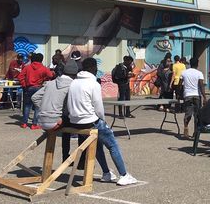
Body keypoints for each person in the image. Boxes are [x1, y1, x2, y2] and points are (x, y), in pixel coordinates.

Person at [67, 57, 137, 186]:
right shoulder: (93, 84)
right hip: (90, 121)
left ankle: (106, 173)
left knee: (98, 146)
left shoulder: (74, 82)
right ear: (93, 68)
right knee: (112, 145)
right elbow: (99, 107)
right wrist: (103, 121)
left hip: (75, 122)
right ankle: (124, 175)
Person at [31, 59, 78, 161]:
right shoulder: (72, 85)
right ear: (75, 74)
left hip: (41, 121)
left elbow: (34, 97)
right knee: (78, 124)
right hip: (55, 122)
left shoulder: (50, 83)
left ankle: (66, 156)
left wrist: (44, 107)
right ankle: (68, 157)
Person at [19, 53, 54, 129]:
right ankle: (34, 124)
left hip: (28, 88)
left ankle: (24, 123)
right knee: (37, 107)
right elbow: (51, 76)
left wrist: (24, 85)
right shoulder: (44, 68)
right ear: (41, 59)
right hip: (39, 88)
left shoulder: (27, 67)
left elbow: (20, 76)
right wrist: (44, 79)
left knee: (27, 106)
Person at [181, 57, 206, 139]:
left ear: (190, 63)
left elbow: (180, 85)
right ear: (197, 64)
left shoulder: (184, 73)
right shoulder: (199, 73)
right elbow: (201, 86)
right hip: (197, 96)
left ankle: (185, 130)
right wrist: (204, 97)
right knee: (197, 115)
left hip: (187, 95)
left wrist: (179, 95)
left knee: (188, 114)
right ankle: (196, 132)